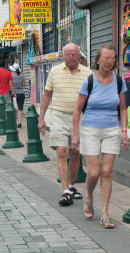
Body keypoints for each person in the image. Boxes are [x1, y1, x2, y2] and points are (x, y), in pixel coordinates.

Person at [72, 45, 129, 228]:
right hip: (90, 129)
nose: (108, 61)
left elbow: (122, 108)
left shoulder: (119, 81)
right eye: (105, 57)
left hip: (112, 129)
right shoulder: (89, 81)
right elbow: (77, 109)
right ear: (97, 60)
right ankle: (89, 195)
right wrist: (75, 134)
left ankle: (105, 212)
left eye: (112, 58)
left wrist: (124, 130)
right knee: (94, 172)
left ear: (114, 62)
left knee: (107, 172)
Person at [38, 43, 92, 206]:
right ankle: (65, 191)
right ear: (63, 56)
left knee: (75, 152)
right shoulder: (54, 72)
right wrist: (41, 118)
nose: (70, 57)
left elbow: (93, 97)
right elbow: (47, 96)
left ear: (79, 56)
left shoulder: (87, 73)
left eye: (74, 54)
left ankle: (72, 185)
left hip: (80, 117)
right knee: (62, 151)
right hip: (59, 115)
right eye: (67, 54)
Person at [9, 63, 25, 128]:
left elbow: (11, 85)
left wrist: (14, 92)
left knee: (14, 108)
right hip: (21, 93)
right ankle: (19, 122)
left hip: (14, 93)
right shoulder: (22, 76)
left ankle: (14, 122)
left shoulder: (11, 76)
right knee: (20, 108)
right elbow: (24, 85)